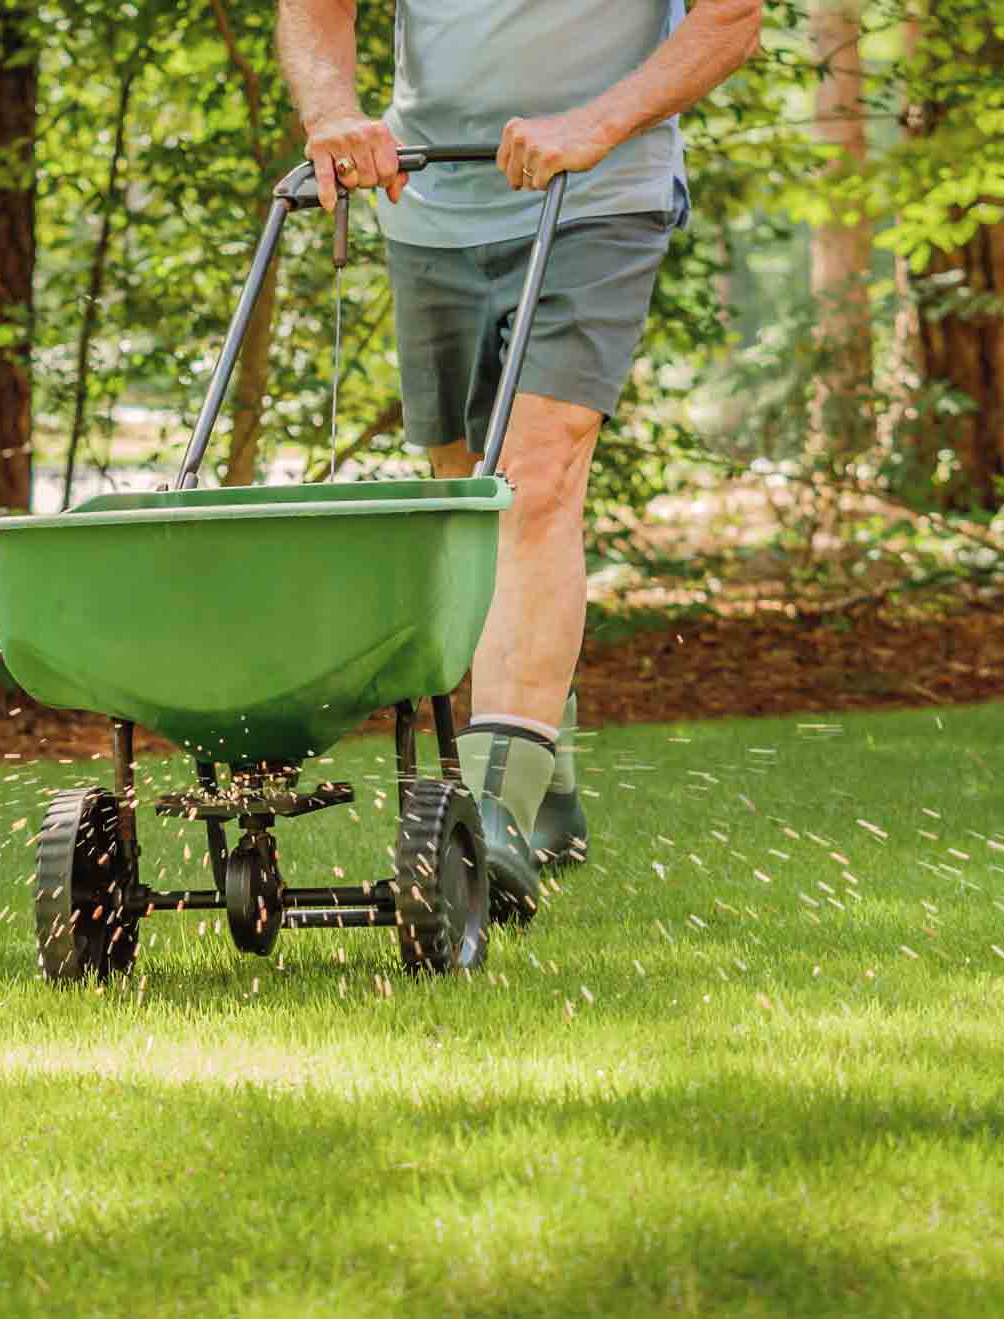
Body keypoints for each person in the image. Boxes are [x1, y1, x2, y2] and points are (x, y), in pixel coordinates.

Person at [277, 0, 763, 917]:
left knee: (535, 481)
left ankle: (493, 813)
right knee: (467, 506)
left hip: (600, 191)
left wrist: (598, 123)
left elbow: (731, 21)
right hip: (428, 200)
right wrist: (331, 112)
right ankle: (552, 783)